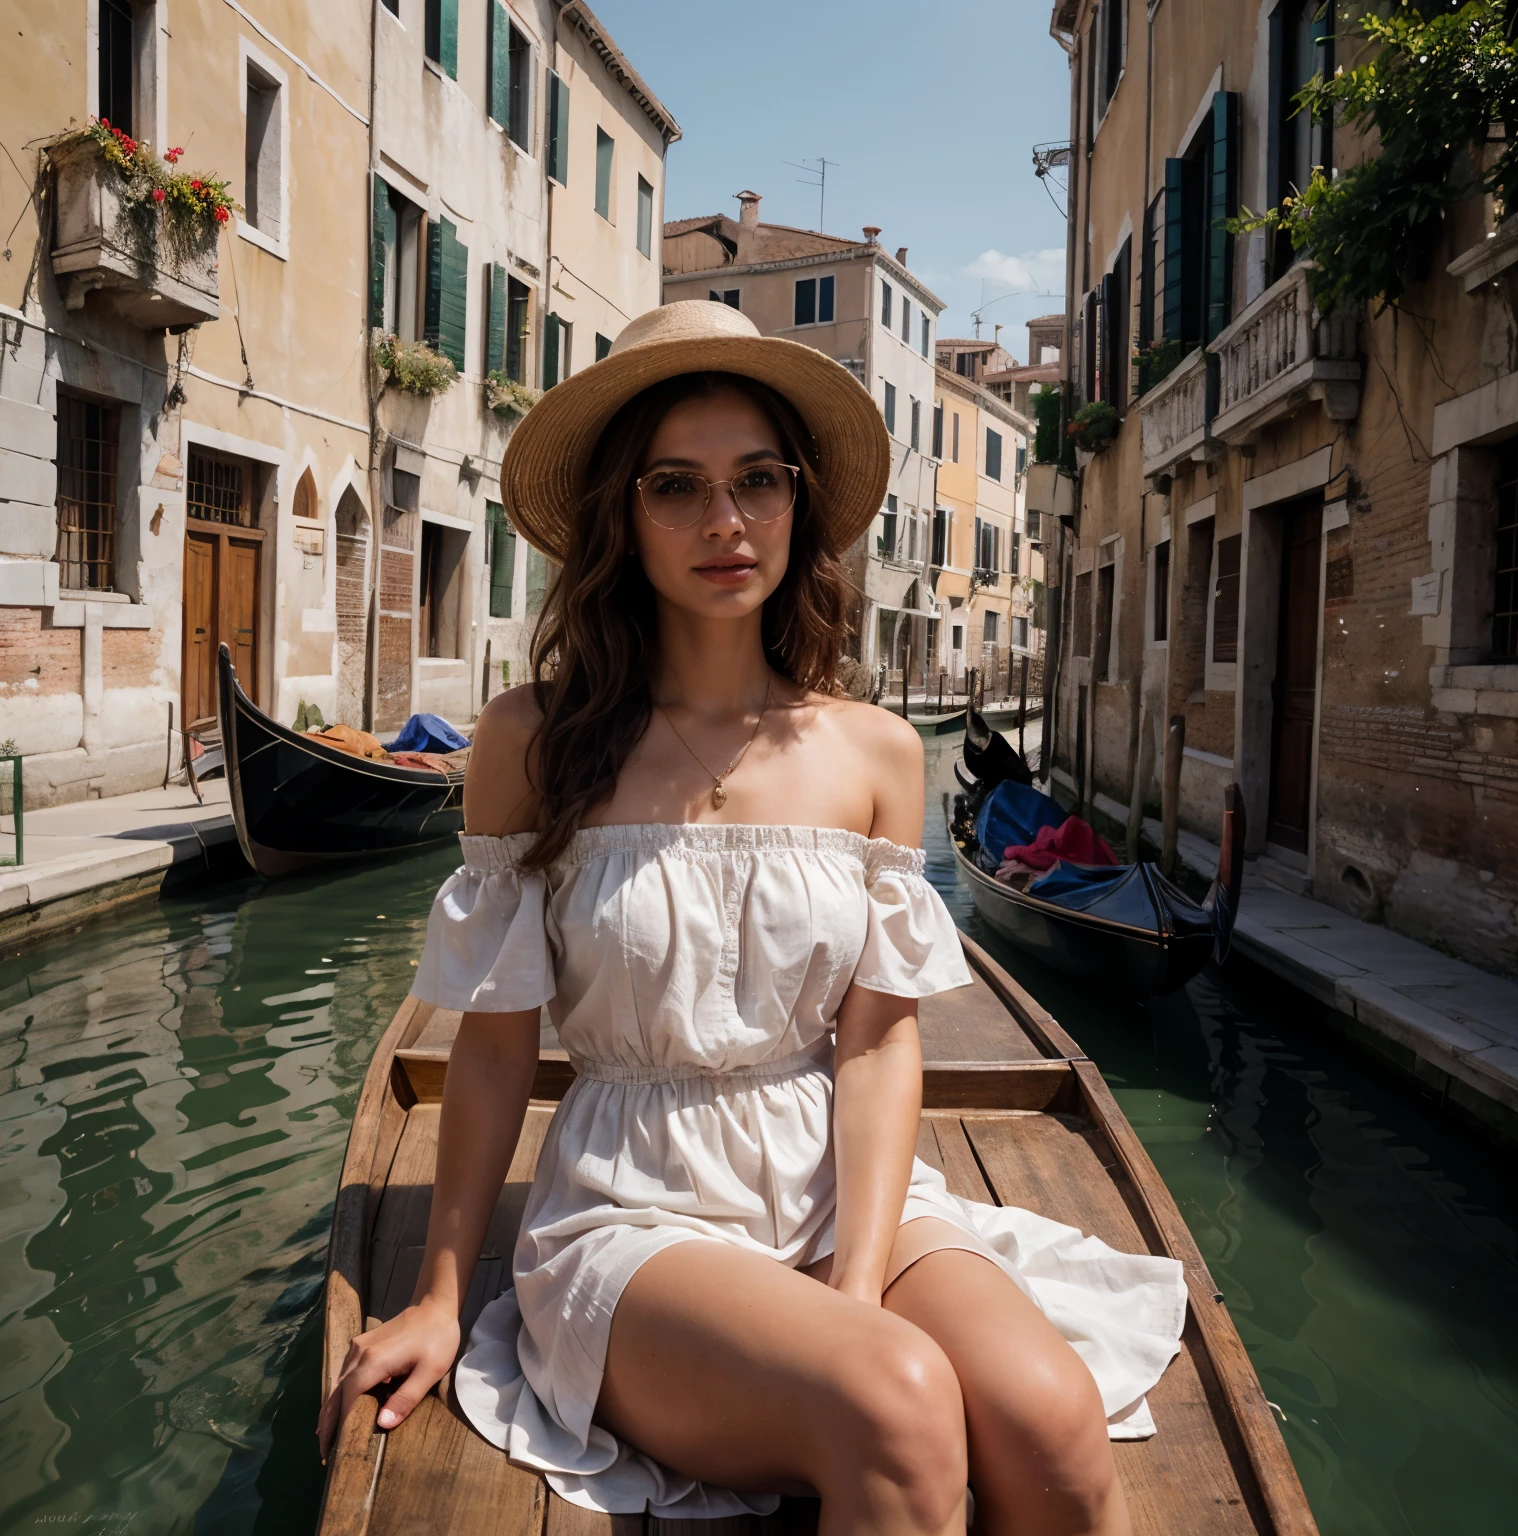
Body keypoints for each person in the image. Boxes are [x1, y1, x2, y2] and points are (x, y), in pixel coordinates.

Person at [315, 301, 1186, 1533]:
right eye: (677, 485)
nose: (725, 521)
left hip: (843, 1188)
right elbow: (500, 1041)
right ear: (624, 511)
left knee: (1052, 1424)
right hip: (634, 1202)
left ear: (798, 503)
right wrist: (447, 1292)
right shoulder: (530, 742)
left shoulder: (877, 752)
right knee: (896, 1408)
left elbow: (880, 1044)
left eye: (756, 481)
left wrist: (860, 1274)